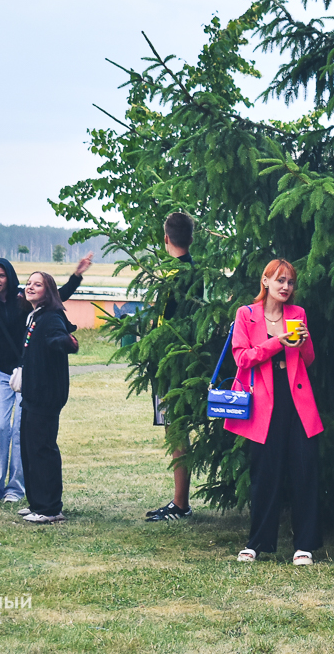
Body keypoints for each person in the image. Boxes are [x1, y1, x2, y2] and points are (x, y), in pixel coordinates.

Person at [224, 259, 323, 564]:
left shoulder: (298, 314)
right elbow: (242, 358)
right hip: (262, 400)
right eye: (280, 280)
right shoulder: (246, 314)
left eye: (290, 282)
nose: (285, 287)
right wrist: (277, 344)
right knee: (265, 473)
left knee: (305, 471)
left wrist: (303, 342)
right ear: (265, 281)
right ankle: (256, 544)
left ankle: (304, 546)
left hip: (297, 398)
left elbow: (307, 360)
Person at [0, 253, 93, 505]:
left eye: (1, 275)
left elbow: (56, 296)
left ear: (9, 277)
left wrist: (77, 275)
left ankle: (15, 489)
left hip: (25, 373)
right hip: (1, 374)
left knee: (21, 431)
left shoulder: (22, 299)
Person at [15, 272, 80, 524]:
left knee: (42, 450)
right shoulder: (35, 316)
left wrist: (65, 342)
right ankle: (37, 502)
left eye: (37, 284)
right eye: (29, 283)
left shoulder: (51, 317)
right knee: (30, 449)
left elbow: (57, 338)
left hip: (46, 395)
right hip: (32, 395)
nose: (31, 287)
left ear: (49, 291)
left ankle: (51, 508)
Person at [145, 212, 198, 522]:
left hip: (172, 364)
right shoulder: (195, 272)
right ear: (190, 238)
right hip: (182, 360)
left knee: (175, 432)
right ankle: (180, 501)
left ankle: (180, 503)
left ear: (166, 238)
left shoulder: (174, 276)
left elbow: (163, 322)